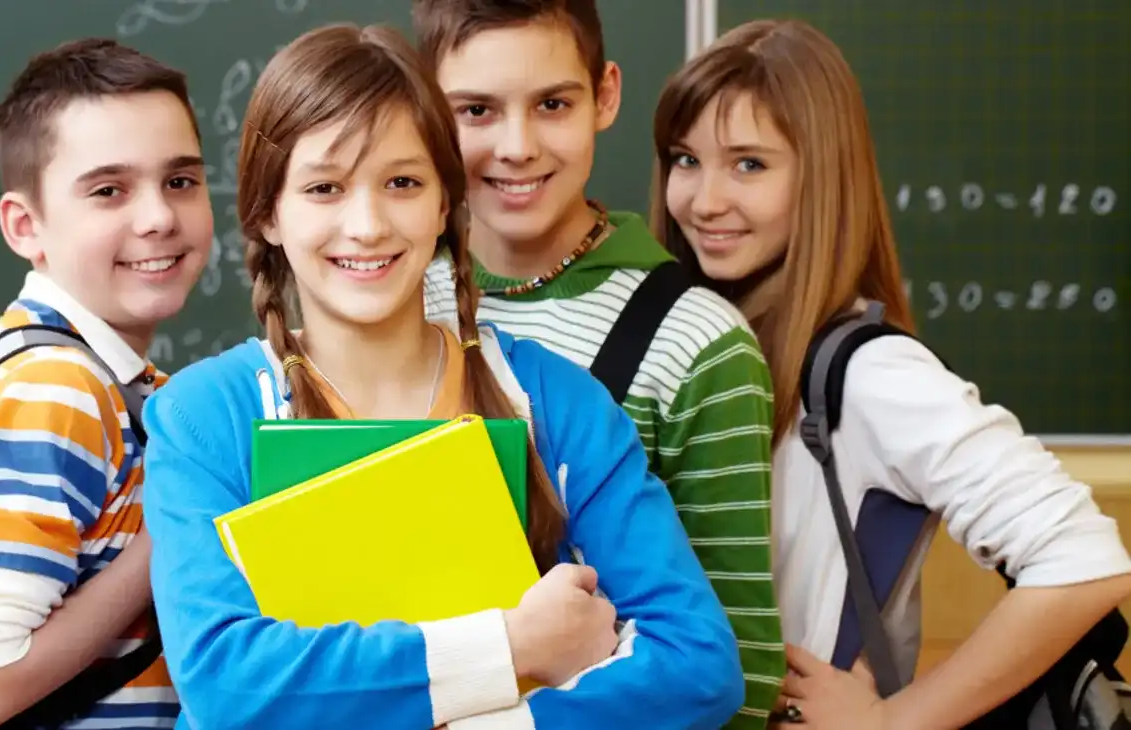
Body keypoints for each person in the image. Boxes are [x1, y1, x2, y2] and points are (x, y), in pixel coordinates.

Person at [141, 21, 744, 730]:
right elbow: (226, 685)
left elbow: (698, 664)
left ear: (442, 203)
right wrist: (514, 646)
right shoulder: (204, 417)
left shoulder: (555, 401)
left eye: (401, 182)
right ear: (269, 213)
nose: (366, 225)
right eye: (325, 187)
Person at [651, 18, 1131, 729]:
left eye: (749, 164)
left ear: (822, 176)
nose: (704, 200)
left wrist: (894, 722)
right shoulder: (693, 347)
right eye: (685, 160)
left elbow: (1083, 557)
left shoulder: (868, 372)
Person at [409, 3, 785, 726]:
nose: (516, 146)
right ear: (427, 108)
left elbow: (737, 663)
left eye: (552, 104)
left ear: (605, 95)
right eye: (477, 110)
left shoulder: (696, 341)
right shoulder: (382, 294)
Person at [0, 38, 213, 730]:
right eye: (109, 190)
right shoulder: (54, 389)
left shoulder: (122, 385)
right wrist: (180, 528)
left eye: (181, 181)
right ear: (26, 225)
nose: (158, 217)